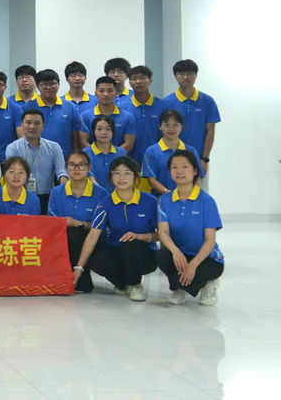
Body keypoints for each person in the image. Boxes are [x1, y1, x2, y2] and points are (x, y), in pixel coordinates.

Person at [74, 156, 158, 301]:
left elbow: (162, 234)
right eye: (117, 173)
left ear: (135, 176)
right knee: (96, 260)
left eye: (127, 173)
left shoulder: (150, 201)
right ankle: (122, 283)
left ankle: (136, 284)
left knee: (130, 244)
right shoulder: (105, 203)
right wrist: (79, 268)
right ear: (111, 176)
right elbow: (93, 236)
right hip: (116, 251)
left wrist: (141, 236)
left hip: (143, 254)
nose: (121, 177)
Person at [156, 150, 225, 306]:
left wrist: (193, 265)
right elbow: (163, 232)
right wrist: (175, 251)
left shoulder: (206, 201)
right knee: (162, 255)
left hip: (206, 258)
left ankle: (208, 282)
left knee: (192, 275)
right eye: (174, 167)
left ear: (194, 171)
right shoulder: (164, 200)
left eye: (185, 167)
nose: (179, 171)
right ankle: (178, 287)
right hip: (180, 254)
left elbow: (209, 240)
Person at [48, 150, 110, 292]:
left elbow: (103, 227)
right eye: (72, 165)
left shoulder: (101, 193)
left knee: (74, 232)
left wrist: (79, 223)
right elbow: (52, 221)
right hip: (64, 239)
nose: (76, 169)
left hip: (94, 239)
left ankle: (80, 281)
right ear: (66, 168)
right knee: (71, 233)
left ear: (89, 168)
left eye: (81, 165)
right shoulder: (56, 192)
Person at [164, 59, 219, 175]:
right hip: (173, 159)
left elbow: (210, 130)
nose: (185, 77)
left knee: (198, 187)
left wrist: (205, 159)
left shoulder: (207, 101)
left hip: (199, 159)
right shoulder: (167, 102)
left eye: (189, 73)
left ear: (196, 75)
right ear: (175, 76)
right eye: (181, 74)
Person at [6, 108, 67, 212]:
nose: (32, 127)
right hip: (22, 196)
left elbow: (61, 171)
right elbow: (11, 174)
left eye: (37, 123)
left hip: (47, 196)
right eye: (28, 123)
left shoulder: (54, 147)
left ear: (43, 126)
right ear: (22, 125)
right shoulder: (13, 148)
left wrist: (64, 191)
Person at [143, 109, 205, 194]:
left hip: (187, 198)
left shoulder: (191, 151)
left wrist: (191, 195)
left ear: (182, 126)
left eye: (175, 125)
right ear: (160, 126)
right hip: (160, 197)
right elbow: (151, 179)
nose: (171, 129)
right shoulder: (151, 151)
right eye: (166, 125)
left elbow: (198, 177)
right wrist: (169, 194)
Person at [78, 76, 137, 153]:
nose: (106, 94)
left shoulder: (128, 117)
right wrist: (98, 156)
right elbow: (83, 142)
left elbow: (128, 144)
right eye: (101, 91)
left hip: (119, 159)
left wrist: (113, 156)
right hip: (93, 159)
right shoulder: (85, 116)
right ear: (95, 93)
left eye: (110, 91)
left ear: (116, 93)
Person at [28, 69, 81, 152]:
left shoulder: (70, 107)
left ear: (58, 84)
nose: (49, 87)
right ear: (37, 86)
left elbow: (74, 134)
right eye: (44, 85)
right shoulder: (28, 107)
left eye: (52, 84)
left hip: (64, 155)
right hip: (37, 155)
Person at [127, 65, 166, 166]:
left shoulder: (162, 106)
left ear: (150, 81)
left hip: (157, 160)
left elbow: (166, 134)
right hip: (130, 163)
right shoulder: (123, 107)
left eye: (143, 78)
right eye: (134, 78)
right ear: (129, 83)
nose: (138, 81)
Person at [82, 115, 127, 190]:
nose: (103, 132)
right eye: (99, 129)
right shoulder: (85, 154)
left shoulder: (121, 153)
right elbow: (90, 179)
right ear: (94, 131)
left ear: (113, 132)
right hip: (94, 194)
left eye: (108, 129)